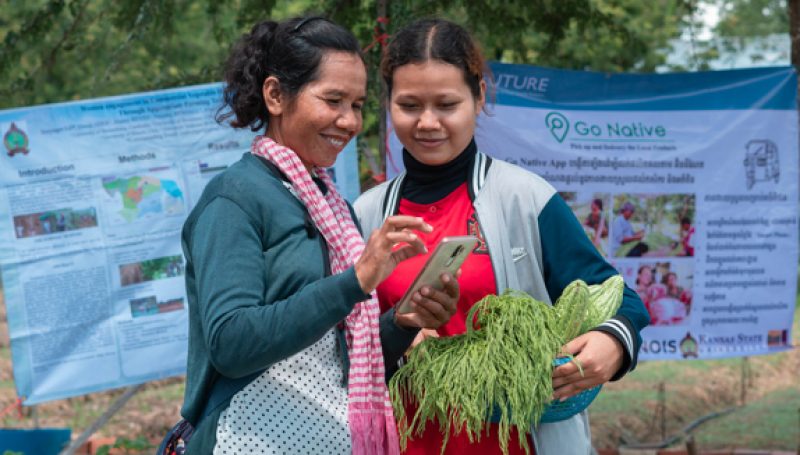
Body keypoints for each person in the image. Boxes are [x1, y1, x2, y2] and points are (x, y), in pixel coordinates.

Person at [354, 18, 650, 455]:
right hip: (404, 442)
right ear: (389, 105)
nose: (428, 122)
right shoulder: (367, 215)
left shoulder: (524, 198)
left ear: (478, 99)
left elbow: (615, 294)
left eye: (447, 104)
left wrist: (614, 342)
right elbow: (345, 344)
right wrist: (398, 335)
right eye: (410, 105)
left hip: (518, 442)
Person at [179, 17, 460, 454]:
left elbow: (335, 360)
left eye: (358, 105)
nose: (348, 121)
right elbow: (230, 343)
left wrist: (403, 321)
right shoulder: (235, 199)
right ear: (275, 95)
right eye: (332, 100)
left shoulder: (330, 204)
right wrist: (355, 281)